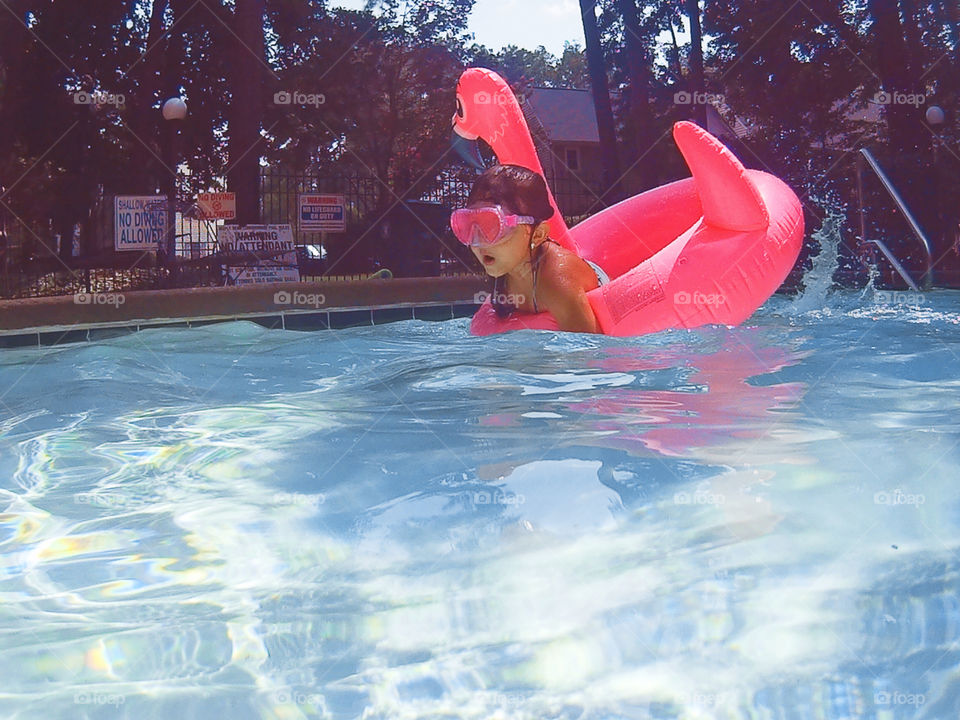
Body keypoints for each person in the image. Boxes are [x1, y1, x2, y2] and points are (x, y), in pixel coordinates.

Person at [450, 164, 609, 333]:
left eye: (492, 226)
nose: (478, 242)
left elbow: (590, 349)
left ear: (538, 234)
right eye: (469, 226)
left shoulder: (556, 279)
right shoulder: (504, 266)